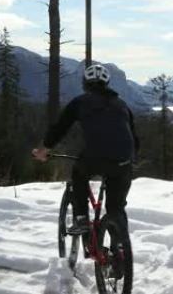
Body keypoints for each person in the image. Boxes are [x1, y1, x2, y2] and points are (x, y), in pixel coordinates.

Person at [32, 64, 138, 243]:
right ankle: (120, 251)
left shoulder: (80, 102)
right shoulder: (122, 105)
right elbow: (134, 138)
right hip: (123, 161)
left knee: (78, 174)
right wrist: (129, 159)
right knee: (116, 208)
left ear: (85, 84)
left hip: (94, 158)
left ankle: (81, 219)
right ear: (107, 83)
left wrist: (44, 150)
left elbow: (60, 128)